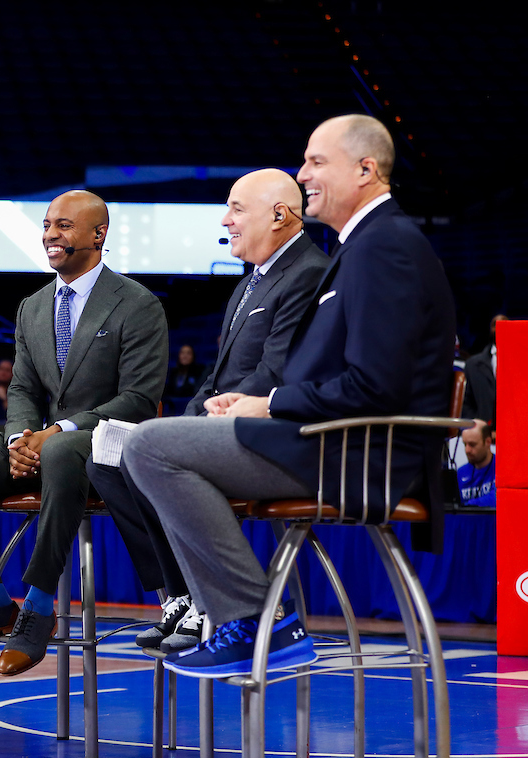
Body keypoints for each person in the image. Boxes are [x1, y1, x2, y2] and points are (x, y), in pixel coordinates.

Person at [121, 114, 455, 678]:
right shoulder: (366, 246)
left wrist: (270, 404)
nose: (303, 175)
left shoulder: (384, 247)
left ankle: (253, 618)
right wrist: (257, 402)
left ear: (366, 170)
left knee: (153, 447)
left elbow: (375, 387)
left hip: (356, 456)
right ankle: (227, 615)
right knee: (149, 446)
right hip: (333, 441)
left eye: (317, 161)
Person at [0, 189, 167, 676]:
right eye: (48, 224)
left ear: (99, 234)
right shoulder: (32, 307)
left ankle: (36, 607)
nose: (51, 235)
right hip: (43, 444)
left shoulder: (137, 304)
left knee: (60, 452)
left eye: (65, 226)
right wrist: (19, 440)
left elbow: (138, 399)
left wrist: (55, 432)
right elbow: (22, 390)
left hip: (106, 448)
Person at [88, 168, 328, 653]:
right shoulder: (248, 283)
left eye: (237, 209)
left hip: (268, 433)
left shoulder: (307, 273)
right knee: (105, 458)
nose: (226, 221)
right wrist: (191, 417)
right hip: (225, 419)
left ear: (280, 214)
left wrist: (193, 428)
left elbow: (276, 372)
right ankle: (179, 596)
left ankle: (212, 602)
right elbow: (215, 377)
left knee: (150, 452)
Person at [461, 313, 505, 430]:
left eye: (504, 323)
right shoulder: (472, 365)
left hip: (514, 433)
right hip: (482, 434)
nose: (499, 327)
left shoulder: (522, 363)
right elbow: (465, 402)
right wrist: (478, 426)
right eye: (495, 324)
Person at [458, 420, 496, 507]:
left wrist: (467, 506)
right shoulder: (461, 473)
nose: (467, 450)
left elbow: (498, 499)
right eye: (465, 444)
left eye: (472, 444)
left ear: (488, 442)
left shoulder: (502, 469)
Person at [162, 345, 203, 415]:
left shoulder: (199, 371)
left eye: (188, 353)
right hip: (173, 408)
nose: (185, 356)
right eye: (182, 353)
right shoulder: (173, 372)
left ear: (193, 356)